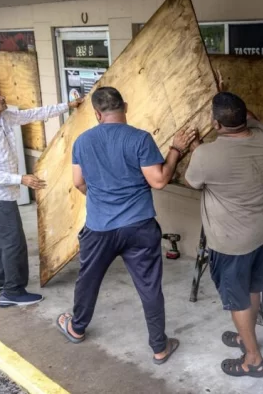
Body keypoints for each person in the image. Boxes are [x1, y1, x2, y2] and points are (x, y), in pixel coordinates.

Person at [54, 86, 197, 365]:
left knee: (88, 279)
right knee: (149, 287)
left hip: (99, 228)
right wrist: (176, 151)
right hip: (139, 227)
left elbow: (78, 182)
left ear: (97, 113)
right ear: (126, 106)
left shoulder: (82, 142)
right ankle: (159, 347)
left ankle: (76, 327)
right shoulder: (140, 139)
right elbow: (158, 180)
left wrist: (102, 199)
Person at [0, 83, 82, 307]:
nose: (2, 97)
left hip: (4, 192)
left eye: (0, 93)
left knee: (3, 238)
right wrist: (20, 179)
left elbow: (33, 114)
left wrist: (67, 105)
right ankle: (13, 291)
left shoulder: (4, 116)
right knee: (14, 242)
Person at [185, 92, 263, 378]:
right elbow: (252, 121)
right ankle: (244, 336)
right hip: (260, 234)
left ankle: (253, 359)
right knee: (252, 289)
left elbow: (194, 180)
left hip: (230, 243)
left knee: (238, 301)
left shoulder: (205, 155)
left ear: (215, 123)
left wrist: (198, 144)